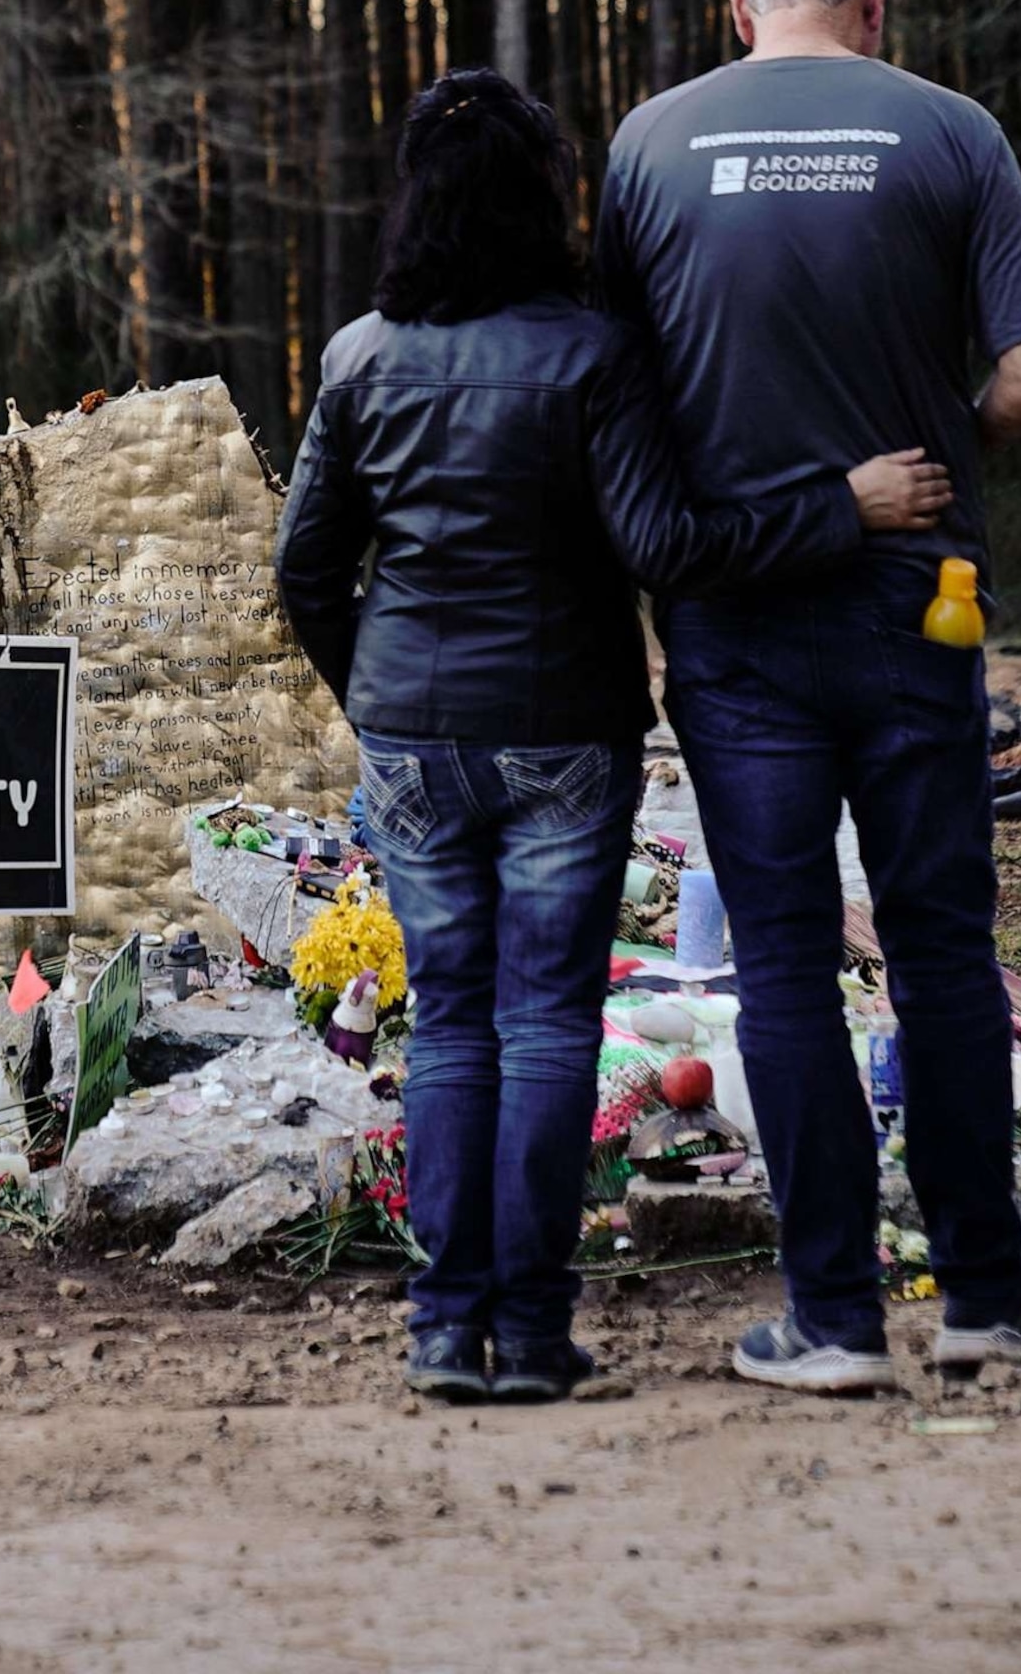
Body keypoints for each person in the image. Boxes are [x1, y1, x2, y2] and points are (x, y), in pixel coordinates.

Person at [275, 68, 955, 1405]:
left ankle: (438, 1331)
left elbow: (307, 568)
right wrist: (844, 506)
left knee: (453, 1027)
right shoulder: (591, 354)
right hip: (564, 737)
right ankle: (530, 1334)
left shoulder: (358, 357)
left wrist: (381, 699)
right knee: (541, 1028)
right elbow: (670, 548)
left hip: (411, 735)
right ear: (545, 205)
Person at [594, 0, 1021, 1393]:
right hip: (918, 609)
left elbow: (616, 387)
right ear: (879, 1)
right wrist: (947, 431)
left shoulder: (650, 144)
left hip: (735, 619)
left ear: (744, 9)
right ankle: (987, 1296)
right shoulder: (954, 132)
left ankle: (833, 1318)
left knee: (788, 962)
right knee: (943, 954)